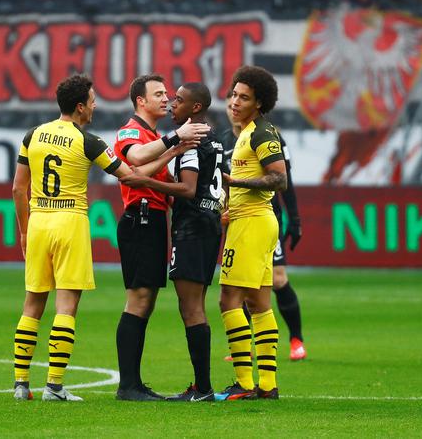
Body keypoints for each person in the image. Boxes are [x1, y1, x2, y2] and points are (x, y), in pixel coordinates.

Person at [11, 74, 137, 402]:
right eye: (92, 101)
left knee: (33, 302)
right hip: (71, 222)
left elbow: (17, 189)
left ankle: (21, 384)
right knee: (66, 303)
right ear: (80, 107)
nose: (95, 106)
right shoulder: (88, 141)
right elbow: (127, 174)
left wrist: (24, 230)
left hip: (39, 221)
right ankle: (53, 386)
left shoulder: (33, 135)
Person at [120, 82, 225, 402]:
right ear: (140, 101)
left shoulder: (187, 137)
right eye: (161, 95)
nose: (168, 101)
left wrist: (150, 174)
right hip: (149, 219)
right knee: (142, 300)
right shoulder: (133, 131)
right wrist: (173, 145)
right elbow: (134, 161)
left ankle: (198, 388)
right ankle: (130, 386)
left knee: (176, 306)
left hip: (183, 225)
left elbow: (186, 186)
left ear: (195, 107)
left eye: (174, 97)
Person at [214, 65, 286, 401]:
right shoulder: (246, 132)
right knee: (258, 302)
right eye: (234, 94)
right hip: (251, 220)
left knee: (228, 298)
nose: (235, 101)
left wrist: (235, 183)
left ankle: (243, 383)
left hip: (253, 222)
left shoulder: (261, 133)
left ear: (259, 102)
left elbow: (278, 178)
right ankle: (267, 386)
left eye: (244, 97)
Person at [220, 91, 306, 361]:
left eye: (241, 98)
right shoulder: (224, 141)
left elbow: (284, 180)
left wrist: (295, 218)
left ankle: (296, 340)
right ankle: (244, 349)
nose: (234, 104)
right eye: (231, 99)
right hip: (236, 219)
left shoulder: (269, 135)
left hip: (266, 216)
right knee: (243, 285)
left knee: (277, 280)